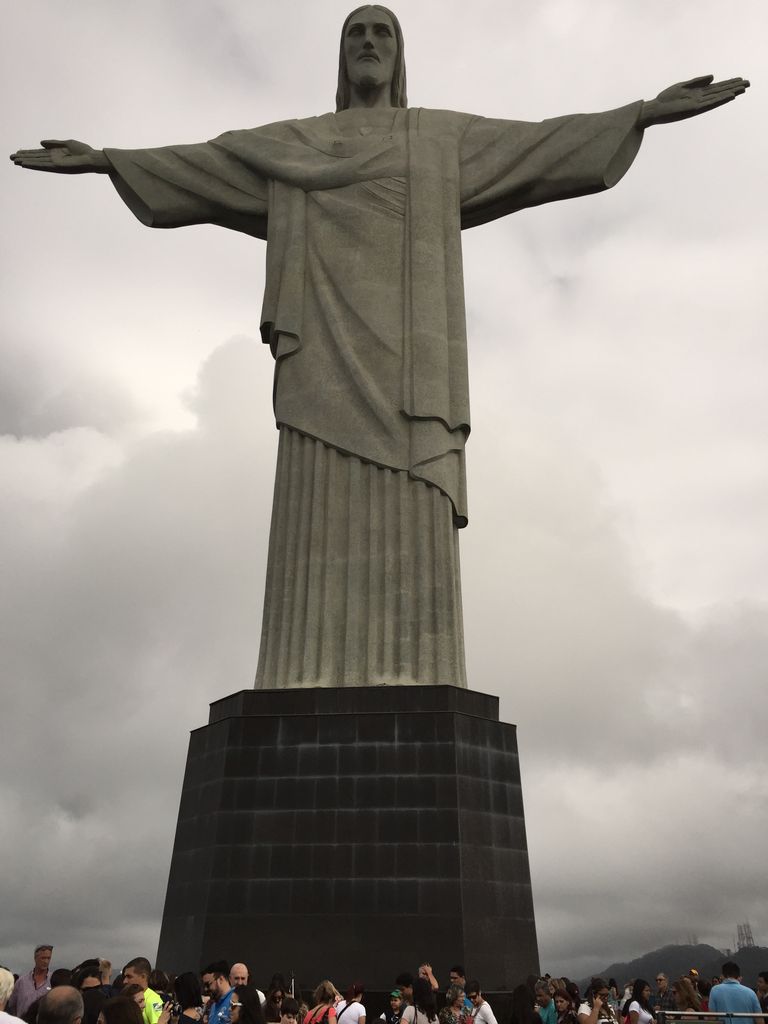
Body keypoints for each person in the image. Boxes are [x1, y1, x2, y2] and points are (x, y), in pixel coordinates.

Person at [9, 8, 750, 691]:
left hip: (412, 374)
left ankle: (416, 673)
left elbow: (540, 144)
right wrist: (107, 160)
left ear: (399, 56)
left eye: (382, 32)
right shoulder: (291, 146)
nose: (368, 42)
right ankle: (297, 672)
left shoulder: (439, 139)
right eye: (355, 33)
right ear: (340, 56)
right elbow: (201, 165)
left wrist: (641, 114)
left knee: (413, 501)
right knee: (314, 504)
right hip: (319, 361)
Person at [8, 948, 54, 1018]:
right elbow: (12, 1005)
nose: (46, 961)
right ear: (35, 958)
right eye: (43, 958)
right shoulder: (21, 981)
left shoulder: (53, 979)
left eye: (48, 958)